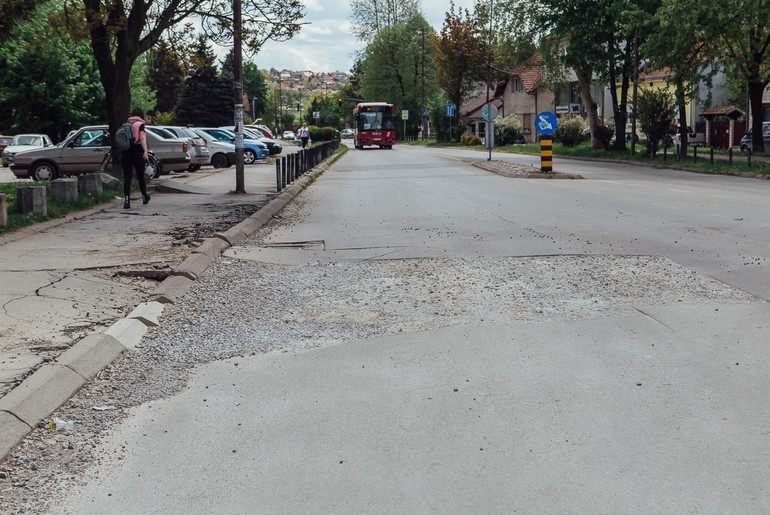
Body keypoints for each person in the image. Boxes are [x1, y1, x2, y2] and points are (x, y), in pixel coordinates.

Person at [120, 107, 150, 209]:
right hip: (137, 152)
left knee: (127, 177)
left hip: (126, 153)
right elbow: (142, 137)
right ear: (141, 115)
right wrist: (145, 150)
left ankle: (127, 200)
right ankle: (144, 196)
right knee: (140, 176)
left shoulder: (126, 125)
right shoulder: (140, 124)